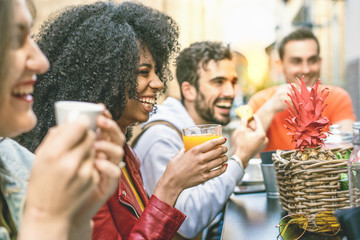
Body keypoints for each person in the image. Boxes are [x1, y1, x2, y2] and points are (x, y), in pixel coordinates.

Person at [17, 2, 230, 239]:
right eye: (143, 72)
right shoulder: (82, 167)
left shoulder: (123, 153)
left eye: (157, 72)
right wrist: (170, 186)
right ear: (104, 78)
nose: (159, 83)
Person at [0, 0, 124, 239]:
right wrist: (46, 217)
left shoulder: (23, 164)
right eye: (15, 40)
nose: (42, 62)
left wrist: (76, 217)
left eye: (32, 37)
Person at [133, 41, 268, 239]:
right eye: (218, 82)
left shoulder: (197, 131)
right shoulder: (161, 137)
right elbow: (187, 223)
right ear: (189, 90)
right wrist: (240, 158)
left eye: (233, 82)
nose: (231, 92)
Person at [248, 28, 357, 151]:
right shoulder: (261, 100)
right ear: (280, 65)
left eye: (312, 60)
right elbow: (242, 149)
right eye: (296, 61)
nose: (306, 70)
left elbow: (346, 147)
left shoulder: (337, 97)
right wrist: (270, 107)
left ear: (320, 62)